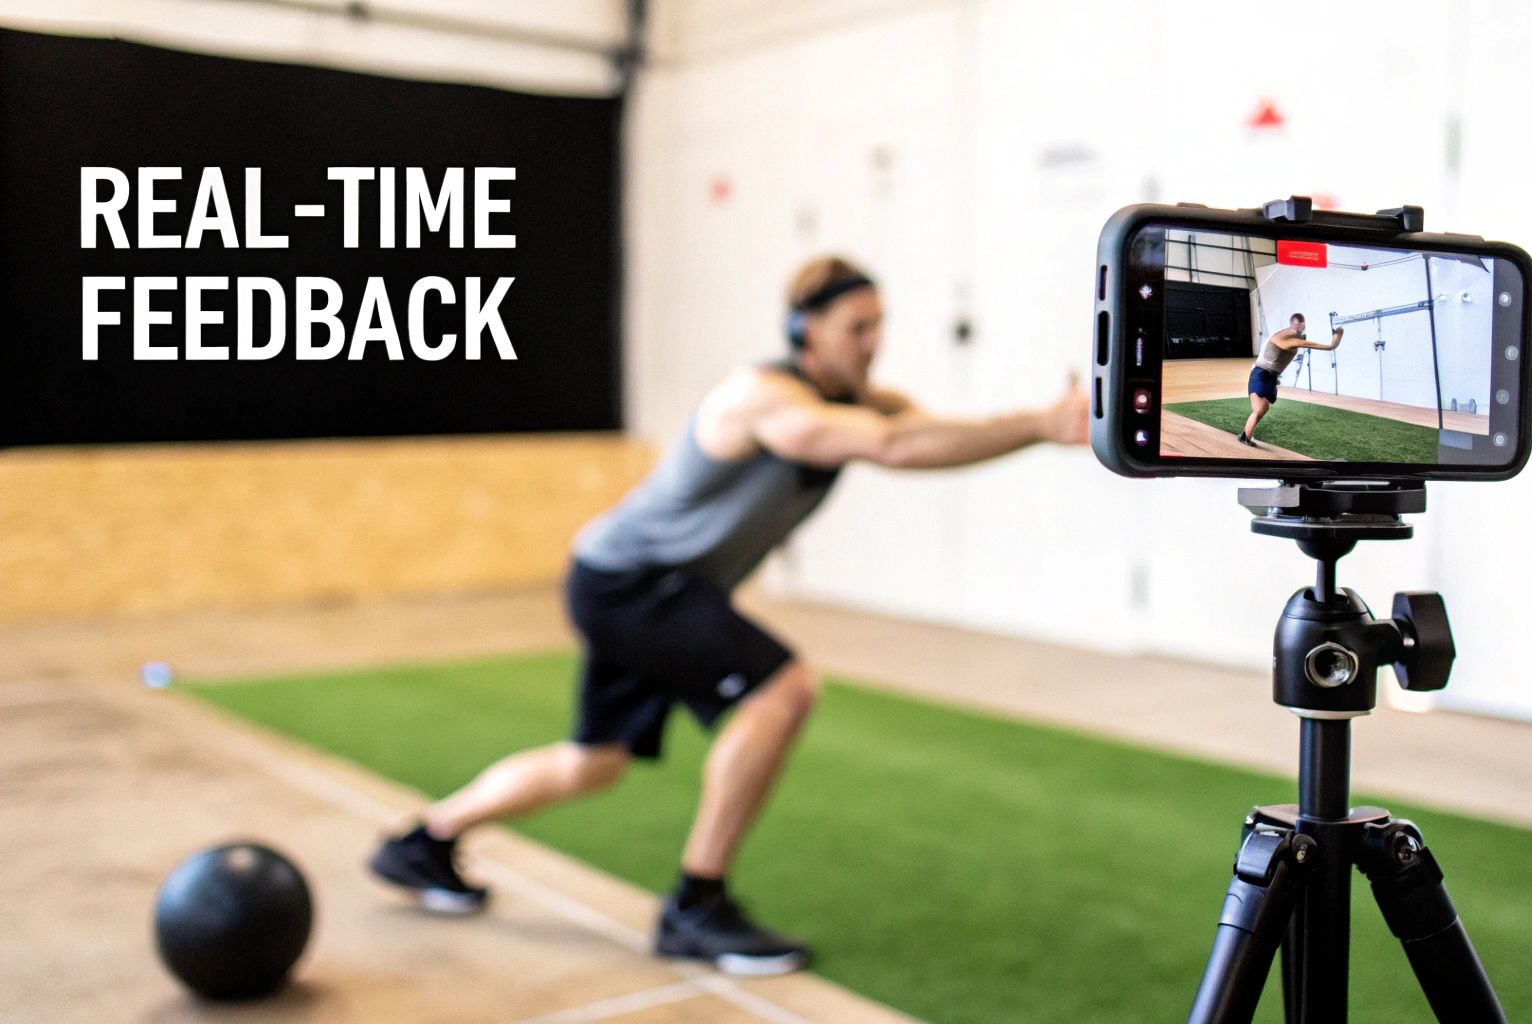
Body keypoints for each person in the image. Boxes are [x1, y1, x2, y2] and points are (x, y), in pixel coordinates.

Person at [369, 255, 1089, 975]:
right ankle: (696, 905)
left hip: (652, 587)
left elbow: (936, 435)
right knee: (783, 690)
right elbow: (893, 446)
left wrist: (1045, 426)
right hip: (632, 584)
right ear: (805, 328)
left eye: (879, 326)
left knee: (592, 765)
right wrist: (1041, 423)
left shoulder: (864, 400)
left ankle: (423, 844)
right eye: (856, 327)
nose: (872, 341)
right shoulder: (761, 397)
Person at [1237, 313, 1343, 446]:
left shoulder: (1292, 337)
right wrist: (1336, 337)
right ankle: (1245, 438)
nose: (1299, 330)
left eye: (1300, 328)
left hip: (1271, 376)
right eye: (1297, 328)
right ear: (1294, 325)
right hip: (1261, 374)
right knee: (1260, 408)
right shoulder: (1286, 339)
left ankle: (1245, 435)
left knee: (1263, 409)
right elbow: (1329, 346)